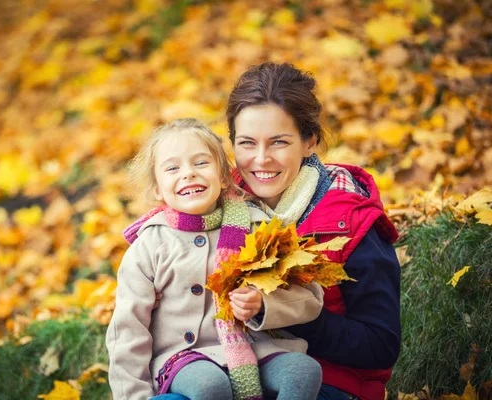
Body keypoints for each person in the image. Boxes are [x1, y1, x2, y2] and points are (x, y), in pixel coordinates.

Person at [106, 118, 324, 400]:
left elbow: (310, 296)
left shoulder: (258, 228)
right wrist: (132, 395)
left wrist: (263, 304)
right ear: (157, 189)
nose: (188, 174)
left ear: (223, 177)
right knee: (209, 385)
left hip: (256, 348)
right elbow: (128, 328)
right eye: (173, 168)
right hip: (184, 358)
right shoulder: (150, 244)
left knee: (303, 371)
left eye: (201, 163)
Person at [225, 62, 402, 400]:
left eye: (278, 142)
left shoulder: (351, 223)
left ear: (309, 141)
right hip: (235, 372)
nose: (261, 159)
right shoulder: (223, 206)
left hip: (332, 384)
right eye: (247, 143)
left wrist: (281, 311)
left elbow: (380, 346)